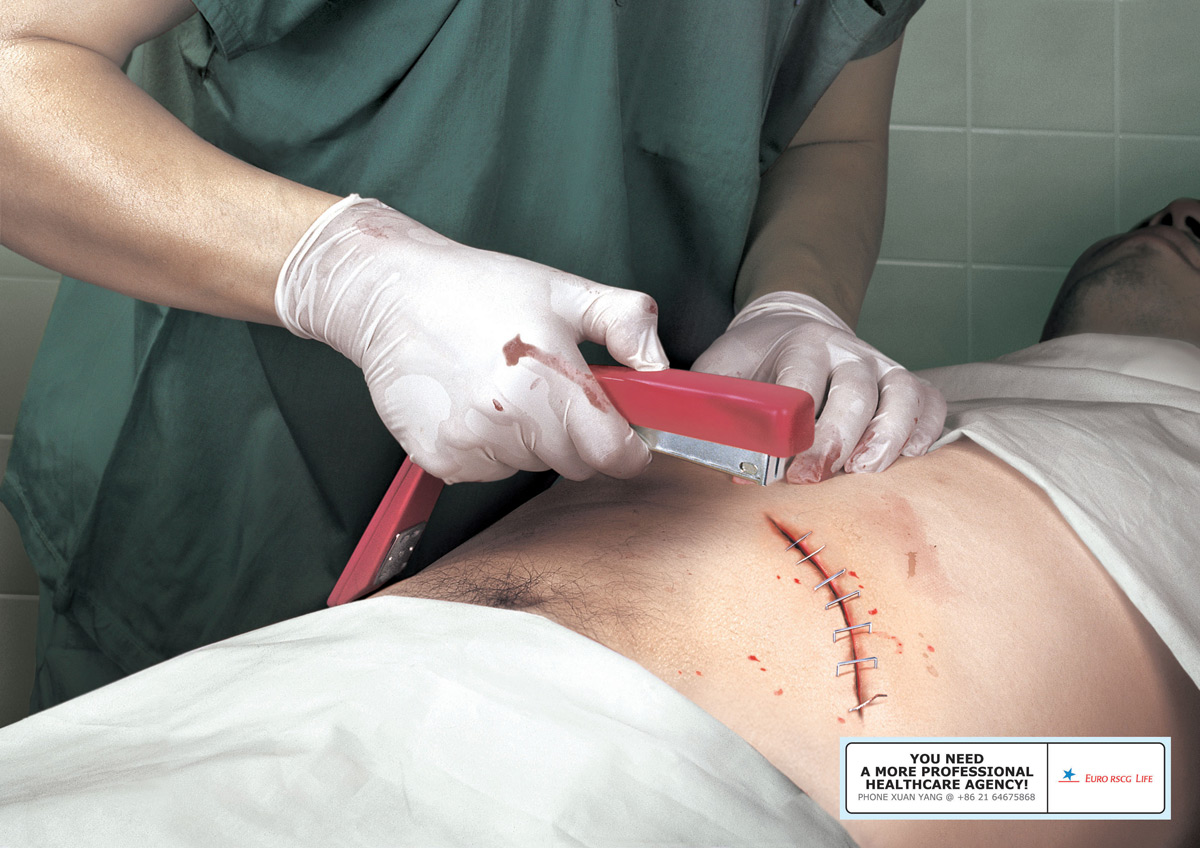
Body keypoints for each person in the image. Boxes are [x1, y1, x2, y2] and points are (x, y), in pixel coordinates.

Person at [0, 200, 1196, 848]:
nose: (1181, 213)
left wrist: (914, 775)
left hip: (713, 797)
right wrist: (343, 266)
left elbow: (1113, 780)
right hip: (268, 707)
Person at [0, 0, 944, 710]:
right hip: (235, 497)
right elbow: (17, 60)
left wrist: (798, 299)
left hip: (612, 537)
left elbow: (831, 136)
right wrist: (350, 272)